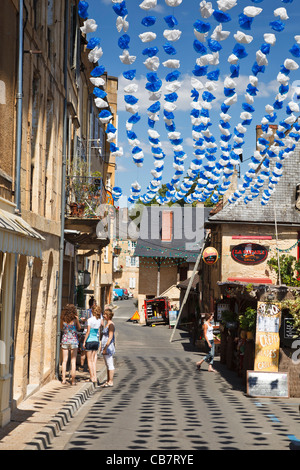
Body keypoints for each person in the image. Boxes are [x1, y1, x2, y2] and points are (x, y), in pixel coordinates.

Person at [60, 304, 81, 385]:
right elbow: (79, 328)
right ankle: (72, 380)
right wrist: (77, 319)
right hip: (74, 341)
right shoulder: (75, 320)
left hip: (65, 340)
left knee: (64, 361)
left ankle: (63, 379)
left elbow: (61, 328)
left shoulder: (63, 319)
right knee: (73, 361)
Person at [83, 305, 102, 385]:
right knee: (94, 360)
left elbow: (88, 332)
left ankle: (91, 377)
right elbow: (98, 331)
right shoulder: (99, 320)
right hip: (96, 341)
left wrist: (84, 341)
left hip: (90, 341)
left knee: (89, 361)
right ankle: (95, 376)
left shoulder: (90, 320)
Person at [100, 308, 115, 387]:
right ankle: (108, 380)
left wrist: (105, 347)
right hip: (104, 346)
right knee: (107, 364)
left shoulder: (111, 325)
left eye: (105, 314)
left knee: (110, 364)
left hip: (108, 347)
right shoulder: (107, 324)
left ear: (109, 315)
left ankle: (111, 381)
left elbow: (110, 337)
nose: (104, 316)